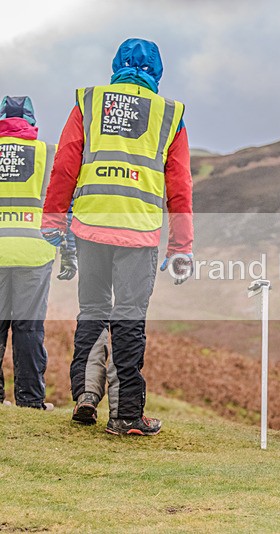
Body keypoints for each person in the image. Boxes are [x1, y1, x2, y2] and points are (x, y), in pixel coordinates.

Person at [41, 38, 194, 436]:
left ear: (115, 65)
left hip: (89, 226)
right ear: (157, 72)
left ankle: (85, 395)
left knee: (92, 309)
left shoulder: (89, 102)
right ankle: (127, 414)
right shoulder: (169, 114)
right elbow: (179, 188)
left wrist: (54, 220)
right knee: (128, 318)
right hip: (139, 233)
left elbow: (64, 165)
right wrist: (181, 247)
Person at [0, 95, 73, 411]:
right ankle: (30, 401)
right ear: (31, 123)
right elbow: (62, 206)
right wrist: (68, 250)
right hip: (34, 250)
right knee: (28, 327)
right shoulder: (47, 153)